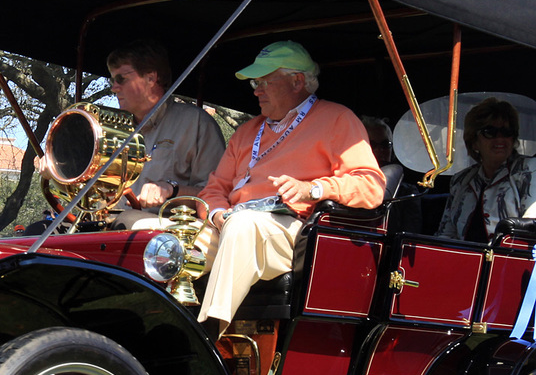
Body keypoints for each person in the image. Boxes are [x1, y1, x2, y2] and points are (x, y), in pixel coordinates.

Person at [196, 41, 384, 337]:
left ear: (298, 81)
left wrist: (314, 189)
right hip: (230, 224)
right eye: (255, 83)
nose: (256, 90)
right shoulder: (246, 131)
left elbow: (371, 187)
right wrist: (217, 214)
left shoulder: (337, 119)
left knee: (244, 227)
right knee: (168, 237)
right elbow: (214, 189)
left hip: (297, 230)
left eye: (265, 82)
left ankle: (206, 341)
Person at [101, 40, 225, 227]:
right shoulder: (112, 130)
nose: (114, 87)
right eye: (112, 80)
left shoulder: (195, 123)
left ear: (151, 78)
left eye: (121, 79)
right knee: (44, 230)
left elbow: (214, 195)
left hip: (167, 234)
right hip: (110, 224)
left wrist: (171, 190)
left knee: (125, 223)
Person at [436, 97, 536, 240]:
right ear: (474, 142)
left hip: (507, 258)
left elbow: (535, 227)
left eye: (507, 131)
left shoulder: (529, 169)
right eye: (490, 132)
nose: (500, 139)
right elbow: (446, 234)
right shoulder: (460, 181)